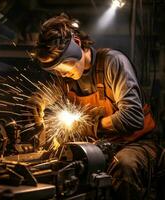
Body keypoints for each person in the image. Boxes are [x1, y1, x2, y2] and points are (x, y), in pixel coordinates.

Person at [31, 13, 161, 199]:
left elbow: (133, 117)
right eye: (56, 70)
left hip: (137, 143)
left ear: (77, 42)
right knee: (60, 162)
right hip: (99, 145)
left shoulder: (112, 63)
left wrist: (92, 125)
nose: (62, 74)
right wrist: (37, 100)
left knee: (124, 164)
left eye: (64, 66)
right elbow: (48, 93)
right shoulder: (66, 77)